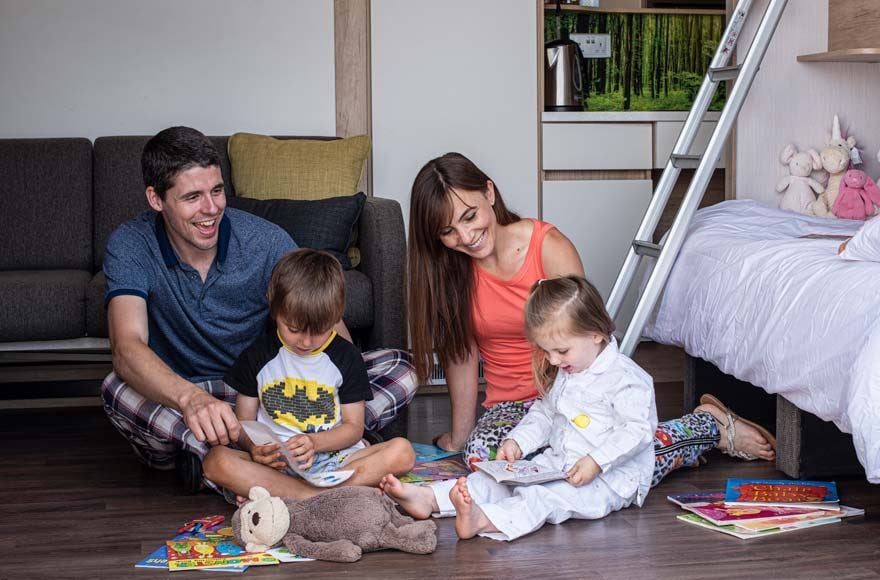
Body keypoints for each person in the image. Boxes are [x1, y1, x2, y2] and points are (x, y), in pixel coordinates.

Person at [405, 152, 775, 487]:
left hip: (575, 393)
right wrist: (459, 439)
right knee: (481, 460)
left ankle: (705, 427)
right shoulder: (451, 272)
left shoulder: (548, 248)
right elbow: (461, 355)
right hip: (512, 408)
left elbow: (586, 336)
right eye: (449, 232)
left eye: (469, 217)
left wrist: (584, 411)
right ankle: (685, 436)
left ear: (489, 192)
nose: (466, 236)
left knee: (585, 462)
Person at [101, 126, 416, 499]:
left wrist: (340, 387)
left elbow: (330, 332)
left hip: (278, 394)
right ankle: (287, 470)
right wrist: (190, 400)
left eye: (217, 191)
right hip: (192, 392)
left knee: (400, 366)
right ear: (156, 199)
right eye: (192, 197)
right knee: (117, 389)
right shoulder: (131, 244)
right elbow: (127, 347)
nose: (211, 208)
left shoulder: (266, 240)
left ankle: (243, 470)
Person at [382, 275, 657, 541]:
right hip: (559, 463)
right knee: (498, 480)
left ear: (597, 334)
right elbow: (546, 413)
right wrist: (518, 442)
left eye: (561, 351)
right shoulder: (570, 369)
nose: (553, 360)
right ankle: (430, 498)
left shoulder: (627, 379)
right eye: (546, 351)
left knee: (542, 497)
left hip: (609, 479)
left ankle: (484, 520)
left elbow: (636, 431)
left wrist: (597, 461)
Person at [203, 249, 415, 500]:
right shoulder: (258, 355)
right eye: (293, 329)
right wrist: (255, 449)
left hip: (335, 459)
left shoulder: (346, 358)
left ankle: (292, 496)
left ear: (336, 317)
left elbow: (354, 428)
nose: (305, 341)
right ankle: (319, 496)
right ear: (274, 307)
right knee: (215, 461)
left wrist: (315, 443)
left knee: (403, 452)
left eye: (320, 331)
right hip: (278, 465)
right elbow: (244, 422)